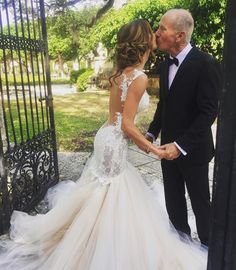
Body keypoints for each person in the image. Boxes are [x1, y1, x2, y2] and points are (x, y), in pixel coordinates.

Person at [0, 19, 207, 270]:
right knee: (110, 193)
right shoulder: (139, 77)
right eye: (152, 31)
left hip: (106, 136)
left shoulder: (120, 74)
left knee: (103, 190)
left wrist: (148, 136)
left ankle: (89, 240)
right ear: (143, 42)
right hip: (115, 140)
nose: (156, 33)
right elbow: (128, 126)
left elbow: (119, 117)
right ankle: (95, 248)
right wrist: (152, 149)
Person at [146, 9, 222, 247]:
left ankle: (209, 248)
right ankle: (181, 248)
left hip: (194, 151)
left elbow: (208, 112)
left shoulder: (207, 64)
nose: (157, 33)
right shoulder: (164, 64)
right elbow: (164, 105)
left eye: (162, 29)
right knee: (174, 202)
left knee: (201, 203)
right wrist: (151, 132)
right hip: (166, 149)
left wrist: (182, 145)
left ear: (179, 36)